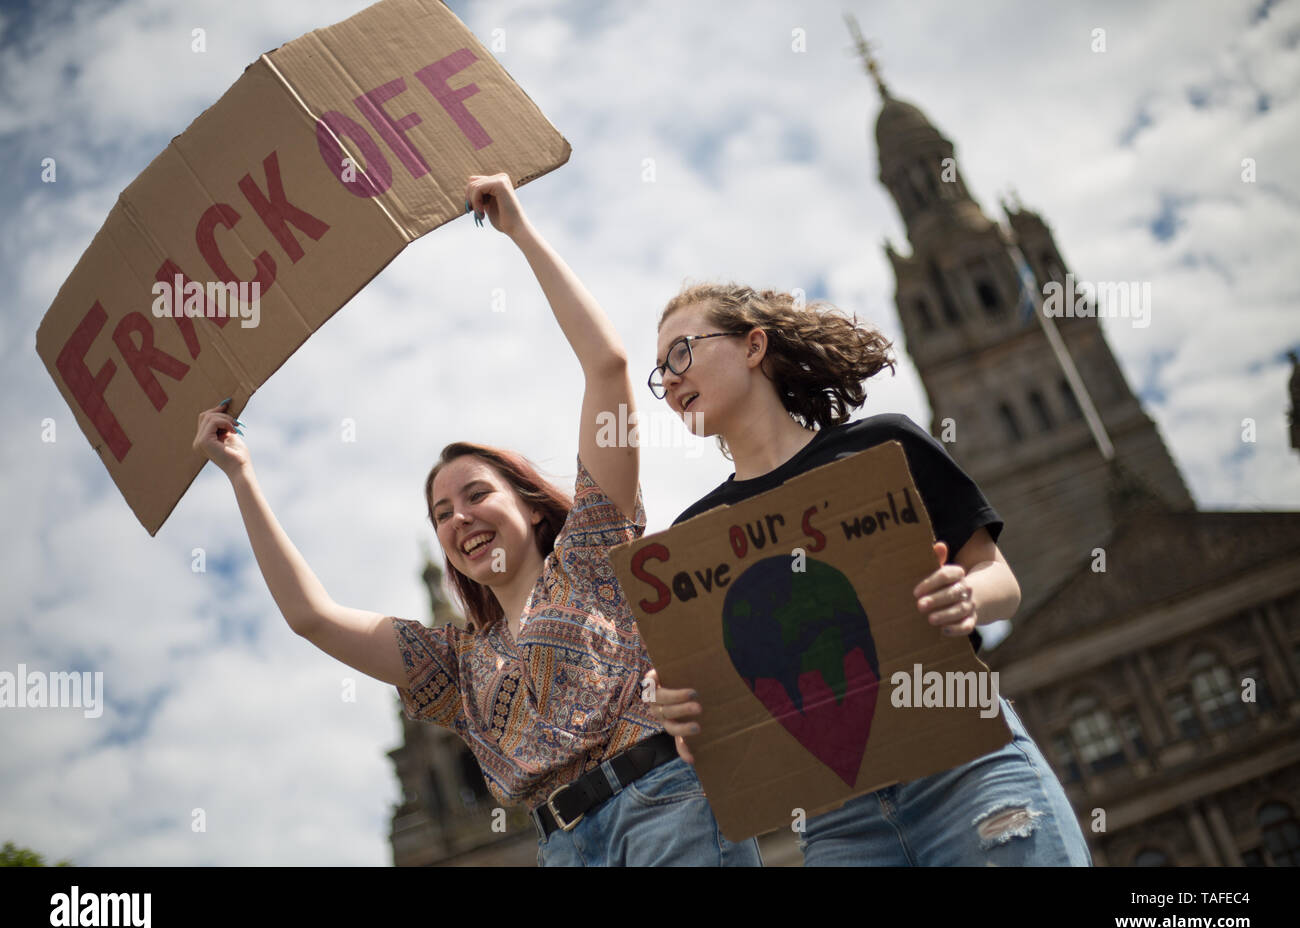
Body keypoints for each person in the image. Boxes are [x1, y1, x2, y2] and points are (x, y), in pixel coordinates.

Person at [191, 176, 761, 867]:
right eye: (441, 513)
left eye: (476, 494)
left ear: (526, 502)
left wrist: (519, 230)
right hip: (561, 849)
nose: (460, 517)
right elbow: (310, 616)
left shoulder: (593, 555)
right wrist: (241, 475)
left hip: (663, 807)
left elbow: (608, 368)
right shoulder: (455, 665)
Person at [643, 283, 1092, 866]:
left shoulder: (885, 445)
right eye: (659, 374)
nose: (670, 381)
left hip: (966, 769)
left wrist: (965, 596)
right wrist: (679, 712)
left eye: (681, 353)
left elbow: (999, 582)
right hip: (837, 823)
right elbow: (715, 730)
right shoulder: (693, 537)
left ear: (753, 346)